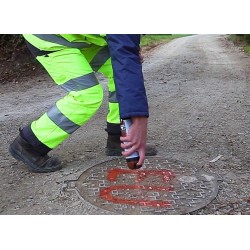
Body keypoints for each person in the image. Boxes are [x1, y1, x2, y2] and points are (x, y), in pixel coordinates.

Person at [8, 34, 156, 173]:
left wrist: (130, 50)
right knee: (87, 95)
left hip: (81, 37)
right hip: (50, 36)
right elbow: (125, 58)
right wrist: (139, 118)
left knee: (117, 70)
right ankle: (28, 144)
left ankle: (118, 138)